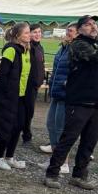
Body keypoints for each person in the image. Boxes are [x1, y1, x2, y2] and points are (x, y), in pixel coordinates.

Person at [44, 16, 98, 190]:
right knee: (68, 138)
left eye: (94, 23)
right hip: (79, 101)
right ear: (80, 29)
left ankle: (79, 175)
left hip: (97, 101)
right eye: (88, 24)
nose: (93, 26)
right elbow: (96, 58)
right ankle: (52, 173)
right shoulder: (78, 45)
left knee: (90, 141)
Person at [0, 22, 32, 171]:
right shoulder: (11, 50)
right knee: (7, 126)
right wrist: (7, 94)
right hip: (9, 96)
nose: (29, 35)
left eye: (29, 32)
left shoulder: (26, 50)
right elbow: (3, 75)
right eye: (26, 33)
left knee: (18, 125)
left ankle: (10, 157)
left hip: (22, 96)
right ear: (18, 35)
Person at [40, 24, 78, 174]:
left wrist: (70, 82)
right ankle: (54, 159)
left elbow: (79, 70)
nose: (68, 33)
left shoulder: (77, 49)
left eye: (71, 31)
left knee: (61, 129)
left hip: (66, 95)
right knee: (51, 125)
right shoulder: (63, 47)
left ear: (78, 34)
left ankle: (64, 163)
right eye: (67, 30)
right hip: (56, 92)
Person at [22, 24, 46, 145]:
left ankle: (25, 133)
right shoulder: (28, 47)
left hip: (35, 85)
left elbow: (41, 65)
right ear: (29, 34)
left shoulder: (40, 47)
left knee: (29, 111)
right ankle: (26, 135)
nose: (38, 34)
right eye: (34, 32)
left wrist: (41, 80)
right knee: (27, 110)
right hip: (28, 85)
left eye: (39, 32)